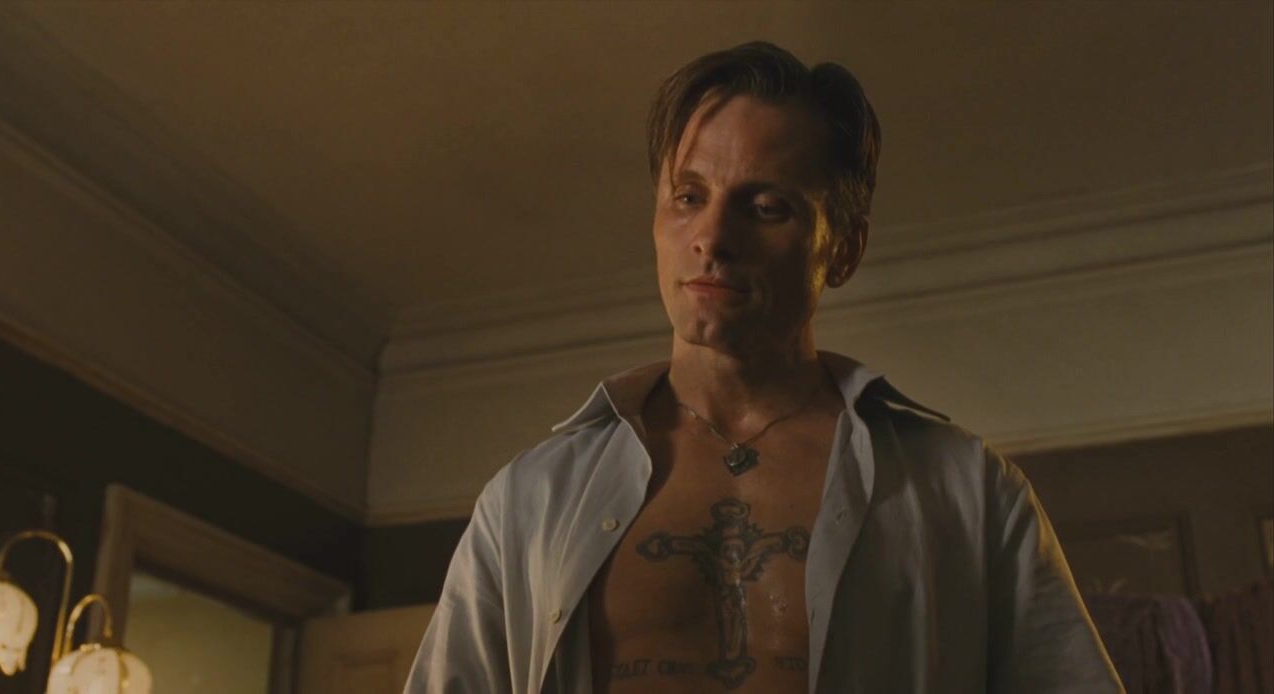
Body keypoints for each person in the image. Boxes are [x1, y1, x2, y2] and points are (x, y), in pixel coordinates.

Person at [405, 41, 1123, 694]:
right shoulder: (531, 499)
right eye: (688, 197)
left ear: (843, 249)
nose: (712, 236)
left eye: (766, 206)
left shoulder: (965, 490)